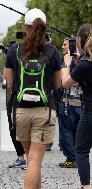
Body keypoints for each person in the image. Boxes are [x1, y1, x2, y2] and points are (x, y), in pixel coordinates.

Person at [3, 8, 61, 188]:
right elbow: (57, 84)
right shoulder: (52, 52)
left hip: (20, 111)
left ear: (25, 27)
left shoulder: (14, 49)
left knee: (32, 160)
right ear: (44, 27)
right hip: (44, 111)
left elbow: (9, 81)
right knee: (35, 161)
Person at [62, 24, 92, 189]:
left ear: (80, 40)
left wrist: (67, 63)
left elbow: (66, 83)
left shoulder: (84, 65)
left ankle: (86, 186)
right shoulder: (84, 63)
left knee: (81, 149)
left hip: (90, 111)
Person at [58, 38, 81, 168]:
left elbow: (63, 81)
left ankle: (72, 159)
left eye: (64, 44)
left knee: (66, 131)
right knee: (77, 132)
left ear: (70, 47)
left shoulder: (68, 61)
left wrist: (66, 65)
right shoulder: (82, 60)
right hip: (81, 102)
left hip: (68, 102)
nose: (62, 46)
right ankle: (77, 157)